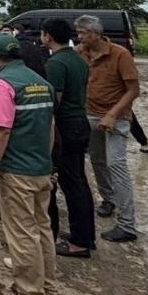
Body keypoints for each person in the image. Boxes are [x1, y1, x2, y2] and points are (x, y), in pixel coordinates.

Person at [0, 33, 59, 295]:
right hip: (40, 168)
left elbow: (1, 129)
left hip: (17, 171)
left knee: (22, 236)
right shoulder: (41, 83)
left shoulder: (3, 84)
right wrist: (46, 162)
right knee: (42, 230)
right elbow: (50, 127)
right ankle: (48, 293)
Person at [76, 14, 140, 243]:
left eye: (84, 33)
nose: (80, 37)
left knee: (116, 164)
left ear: (96, 34)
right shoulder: (80, 53)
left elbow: (133, 90)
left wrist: (113, 114)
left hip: (116, 118)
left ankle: (127, 224)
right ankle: (108, 198)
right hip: (90, 115)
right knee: (97, 160)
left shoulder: (120, 55)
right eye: (78, 33)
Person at [41, 18, 95, 257]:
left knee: (71, 183)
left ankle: (80, 242)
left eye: (43, 34)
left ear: (48, 36)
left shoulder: (56, 63)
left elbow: (55, 102)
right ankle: (83, 234)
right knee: (78, 182)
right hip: (79, 123)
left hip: (66, 126)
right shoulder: (78, 60)